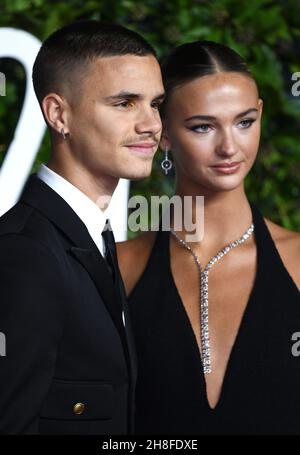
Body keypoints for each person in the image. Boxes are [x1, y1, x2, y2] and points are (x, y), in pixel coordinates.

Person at [116, 41, 300, 434]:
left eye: (244, 122)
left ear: (261, 115)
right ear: (162, 132)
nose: (230, 147)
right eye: (203, 126)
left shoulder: (298, 261)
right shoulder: (120, 265)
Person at [0, 20, 164, 434]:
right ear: (58, 114)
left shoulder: (93, 236)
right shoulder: (25, 254)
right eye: (125, 103)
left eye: (155, 104)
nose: (151, 125)